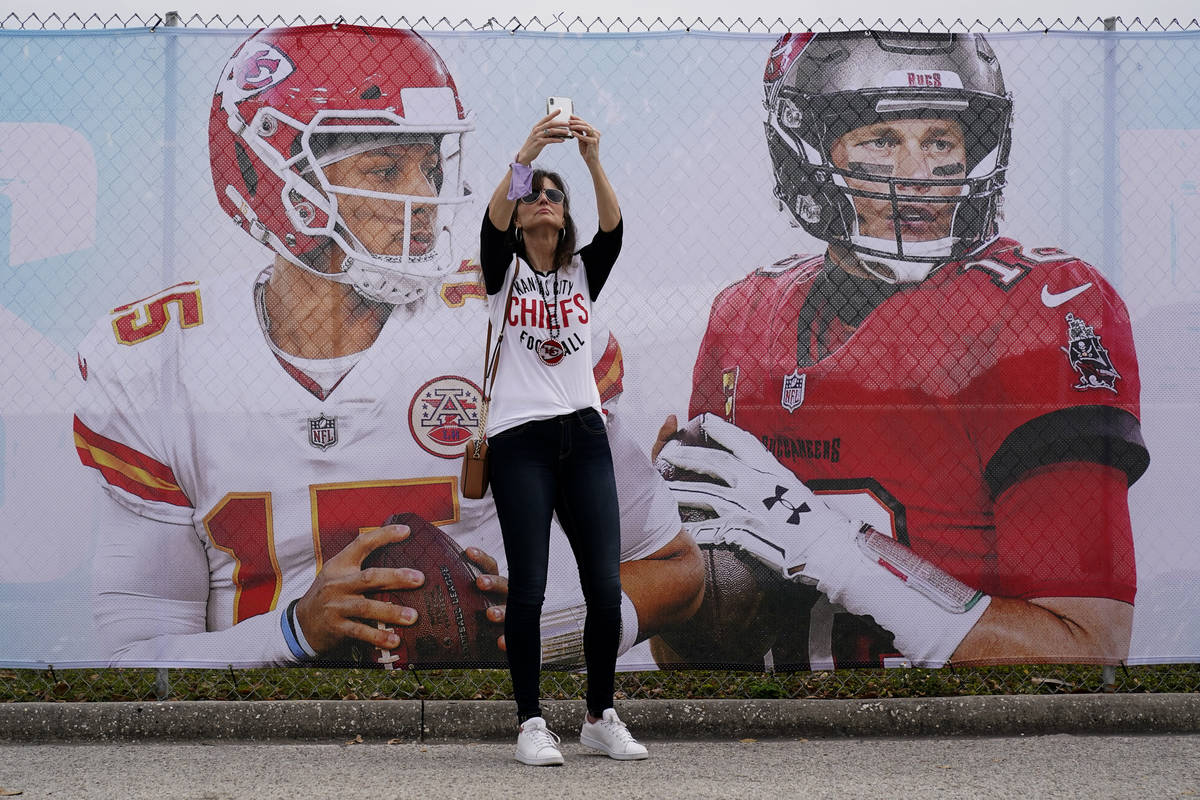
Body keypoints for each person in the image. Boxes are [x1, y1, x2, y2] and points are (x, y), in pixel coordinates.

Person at [72, 25, 701, 675]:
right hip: (257, 745)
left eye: (429, 168)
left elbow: (676, 569)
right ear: (273, 177)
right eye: (385, 169)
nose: (423, 199)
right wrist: (294, 633)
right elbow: (136, 656)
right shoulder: (163, 363)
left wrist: (549, 629)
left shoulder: (516, 323)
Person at [652, 31, 1150, 670]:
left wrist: (835, 552)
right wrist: (667, 557)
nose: (918, 176)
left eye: (941, 141)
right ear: (806, 154)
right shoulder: (744, 318)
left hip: (962, 752)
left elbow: (1089, 650)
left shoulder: (1038, 312)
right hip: (776, 750)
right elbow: (692, 663)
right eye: (882, 141)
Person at [480, 113, 649, 765]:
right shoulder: (504, 273)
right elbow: (493, 218)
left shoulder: (581, 270)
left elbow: (614, 227)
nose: (545, 199)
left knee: (604, 586)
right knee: (530, 587)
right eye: (535, 194)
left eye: (556, 194)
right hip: (519, 439)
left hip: (584, 434)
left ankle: (600, 714)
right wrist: (526, 153)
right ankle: (529, 723)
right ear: (522, 215)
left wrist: (593, 159)